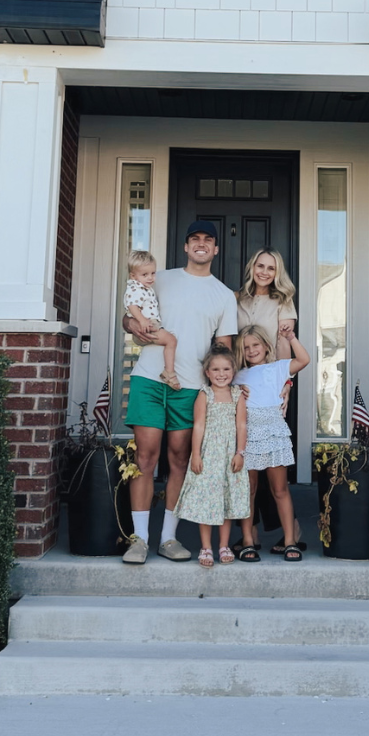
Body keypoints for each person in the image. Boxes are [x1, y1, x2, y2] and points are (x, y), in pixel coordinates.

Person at [121, 221, 238, 564]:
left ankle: (167, 538)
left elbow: (224, 348)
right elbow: (130, 314)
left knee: (179, 460)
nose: (201, 244)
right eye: (194, 239)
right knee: (145, 457)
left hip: (190, 388)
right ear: (186, 247)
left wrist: (222, 389)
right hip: (149, 379)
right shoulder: (162, 278)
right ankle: (139, 539)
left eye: (208, 240)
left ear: (216, 249)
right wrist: (131, 326)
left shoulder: (223, 295)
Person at [234, 324, 310, 562]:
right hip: (249, 432)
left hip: (274, 432)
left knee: (280, 489)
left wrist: (291, 337)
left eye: (256, 345)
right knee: (249, 490)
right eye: (246, 347)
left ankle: (289, 540)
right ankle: (248, 540)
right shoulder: (238, 376)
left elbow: (304, 359)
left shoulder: (279, 368)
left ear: (266, 347)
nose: (251, 350)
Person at [175, 348, 250, 567]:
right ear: (207, 372)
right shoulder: (204, 395)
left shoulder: (237, 395)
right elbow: (198, 426)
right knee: (207, 502)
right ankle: (206, 547)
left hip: (229, 456)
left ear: (233, 371)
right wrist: (196, 454)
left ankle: (223, 545)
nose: (221, 373)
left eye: (226, 369)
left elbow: (242, 425)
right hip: (208, 454)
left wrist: (240, 452)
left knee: (226, 499)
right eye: (215, 369)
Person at [123, 249, 180, 389]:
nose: (150, 278)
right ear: (133, 276)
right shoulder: (135, 288)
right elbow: (132, 305)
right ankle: (169, 372)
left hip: (149, 323)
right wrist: (141, 320)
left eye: (153, 273)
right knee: (171, 340)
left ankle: (169, 371)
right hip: (148, 325)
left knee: (169, 340)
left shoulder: (145, 288)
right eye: (145, 274)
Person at [236, 249, 297, 360]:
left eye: (271, 268)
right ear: (253, 267)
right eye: (260, 266)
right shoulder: (239, 299)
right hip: (239, 372)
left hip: (268, 371)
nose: (264, 272)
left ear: (277, 273)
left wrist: (281, 375)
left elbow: (283, 342)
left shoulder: (283, 301)